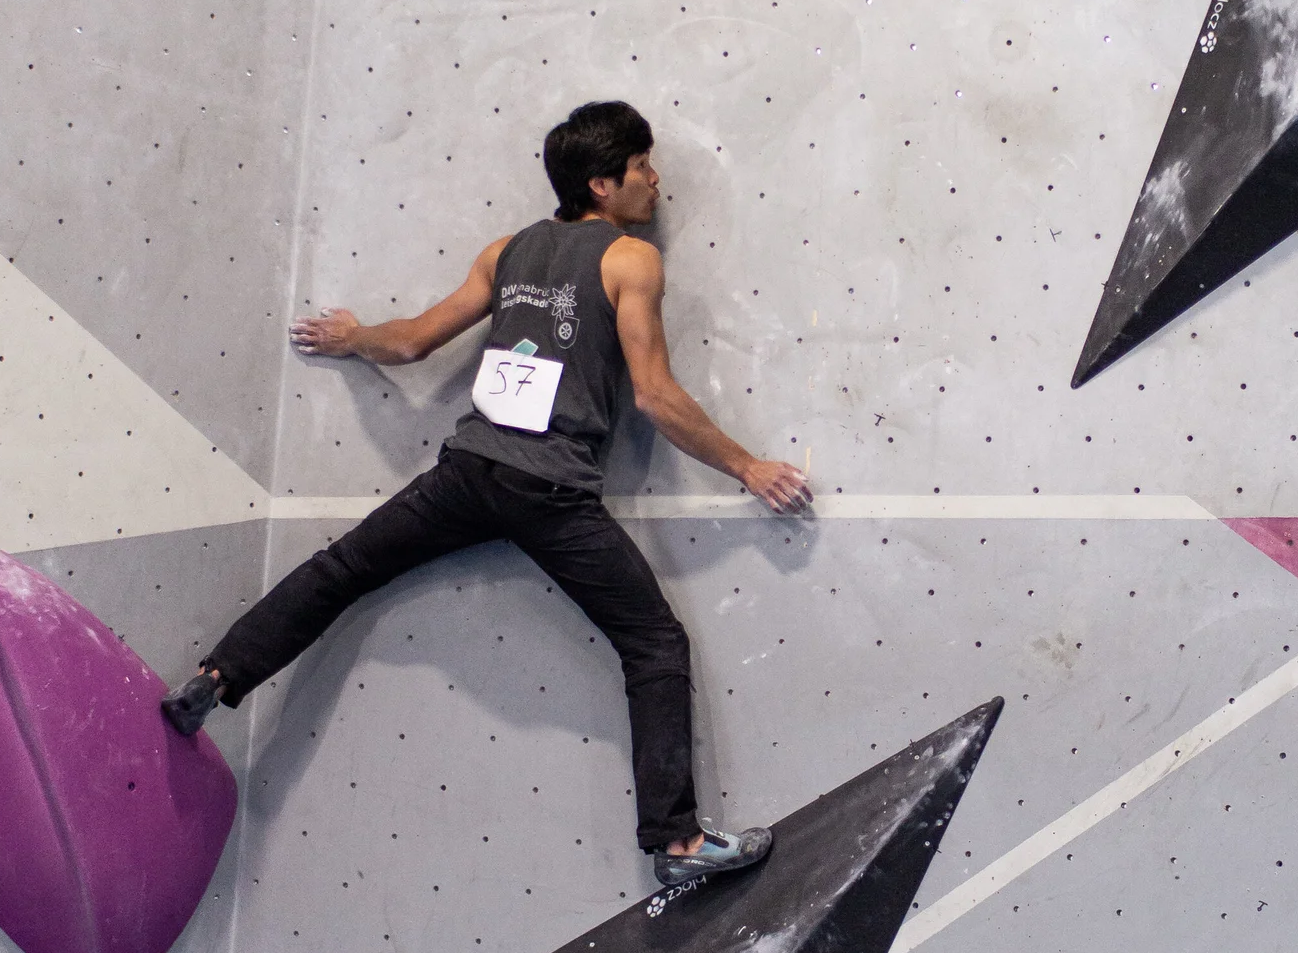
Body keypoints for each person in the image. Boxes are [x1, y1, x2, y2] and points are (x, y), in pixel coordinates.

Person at [161, 101, 811, 886]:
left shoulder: (508, 252)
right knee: (654, 645)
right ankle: (675, 843)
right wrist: (749, 467)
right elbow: (655, 396)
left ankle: (217, 676)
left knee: (341, 571)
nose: (656, 181)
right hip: (552, 492)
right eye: (643, 167)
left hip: (466, 475)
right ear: (602, 185)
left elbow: (409, 342)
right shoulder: (630, 260)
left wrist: (351, 336)